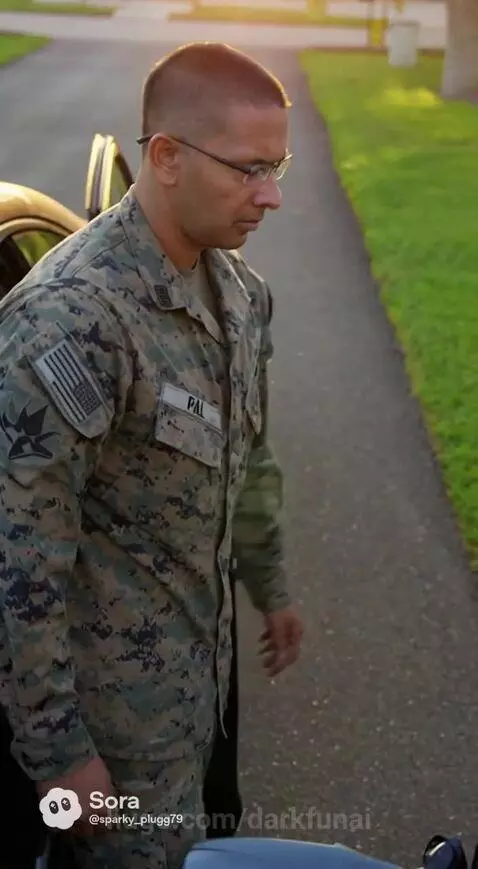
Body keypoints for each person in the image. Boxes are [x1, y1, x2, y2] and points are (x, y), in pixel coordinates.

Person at [0, 41, 303, 869]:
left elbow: (250, 455)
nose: (271, 195)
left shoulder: (241, 294)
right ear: (165, 157)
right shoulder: (70, 321)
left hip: (197, 694)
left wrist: (269, 584)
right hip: (110, 735)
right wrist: (60, 754)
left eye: (278, 165)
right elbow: (21, 561)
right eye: (248, 169)